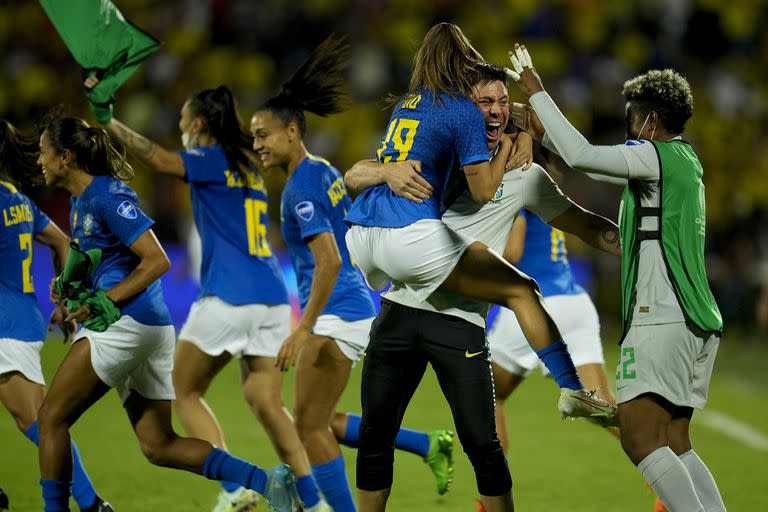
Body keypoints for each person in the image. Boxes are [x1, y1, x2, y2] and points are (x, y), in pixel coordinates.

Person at [343, 29, 618, 509]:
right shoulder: (447, 151)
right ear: (465, 109)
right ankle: (571, 388)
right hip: (400, 310)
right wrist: (383, 170)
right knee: (374, 437)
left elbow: (589, 228)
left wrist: (644, 244)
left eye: (500, 102)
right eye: (483, 102)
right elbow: (361, 171)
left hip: (461, 324)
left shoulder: (527, 175)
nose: (492, 109)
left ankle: (571, 391)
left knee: (483, 448)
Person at [34, 116, 301, 512]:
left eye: (44, 152)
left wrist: (107, 301)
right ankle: (267, 482)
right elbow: (102, 261)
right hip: (148, 329)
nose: (39, 160)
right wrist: (69, 295)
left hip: (126, 323)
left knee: (50, 419)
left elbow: (156, 260)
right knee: (159, 445)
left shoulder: (107, 195)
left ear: (66, 157)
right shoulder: (80, 201)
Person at [508, 44, 725, 512]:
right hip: (695, 319)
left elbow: (583, 155)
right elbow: (637, 234)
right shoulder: (688, 167)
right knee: (675, 441)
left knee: (640, 441)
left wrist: (539, 94)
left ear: (649, 121)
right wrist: (544, 136)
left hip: (662, 317)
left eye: (632, 118)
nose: (629, 128)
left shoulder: (655, 157)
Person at [249, 35, 453, 512]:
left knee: (309, 426)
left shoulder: (300, 186)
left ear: (292, 133)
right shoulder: (322, 170)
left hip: (337, 309)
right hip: (353, 304)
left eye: (263, 134)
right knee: (323, 419)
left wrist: (303, 328)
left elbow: (329, 259)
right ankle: (426, 444)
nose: (256, 143)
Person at [91, 80, 316, 512]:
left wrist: (108, 122)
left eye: (181, 121)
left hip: (228, 297)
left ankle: (237, 491)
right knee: (269, 404)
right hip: (271, 297)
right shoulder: (249, 161)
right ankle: (311, 498)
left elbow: (157, 159)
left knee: (183, 389)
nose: (180, 128)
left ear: (197, 123)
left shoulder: (209, 159)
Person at [0, 120, 113, 512]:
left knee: (39, 422)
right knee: (41, 421)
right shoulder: (17, 199)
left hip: (6, 327)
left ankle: (91, 502)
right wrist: (64, 298)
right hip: (21, 319)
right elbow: (62, 241)